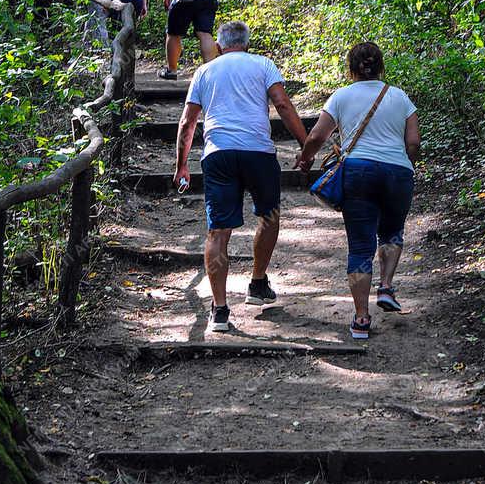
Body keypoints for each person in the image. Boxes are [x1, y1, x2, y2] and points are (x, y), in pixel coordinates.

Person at [174, 21, 309, 333]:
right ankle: (257, 282)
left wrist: (182, 164)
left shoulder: (205, 71)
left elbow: (187, 121)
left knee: (218, 232)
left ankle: (220, 310)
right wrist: (306, 146)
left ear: (219, 46)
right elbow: (283, 105)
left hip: (218, 155)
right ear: (247, 44)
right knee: (269, 216)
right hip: (258, 153)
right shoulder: (263, 64)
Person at [296, 42, 420, 340]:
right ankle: (387, 287)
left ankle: (362, 320)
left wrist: (306, 157)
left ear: (351, 69)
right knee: (391, 232)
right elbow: (413, 142)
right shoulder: (401, 98)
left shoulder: (341, 96)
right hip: (398, 172)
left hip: (358, 172)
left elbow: (316, 135)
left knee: (360, 246)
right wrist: (404, 165)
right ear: (381, 67)